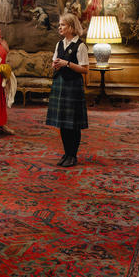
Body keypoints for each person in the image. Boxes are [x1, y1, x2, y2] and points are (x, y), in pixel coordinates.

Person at [46, 13, 89, 168]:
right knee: (63, 124)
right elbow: (54, 62)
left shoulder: (81, 46)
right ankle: (66, 153)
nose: (60, 27)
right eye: (60, 25)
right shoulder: (59, 44)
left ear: (71, 27)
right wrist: (56, 64)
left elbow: (84, 69)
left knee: (73, 124)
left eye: (63, 25)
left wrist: (67, 64)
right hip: (60, 85)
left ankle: (73, 155)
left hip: (73, 87)